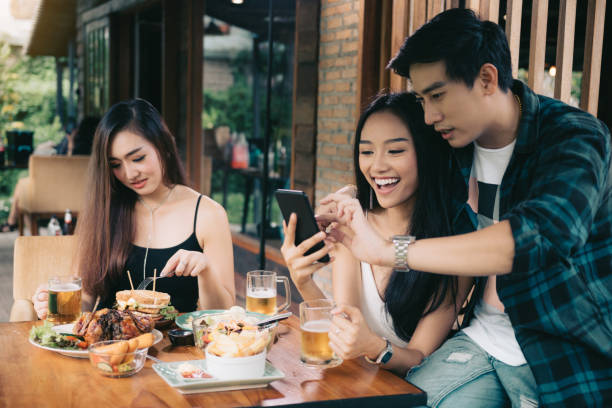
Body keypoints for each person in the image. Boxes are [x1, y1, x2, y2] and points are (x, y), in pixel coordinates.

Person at [321, 8, 611, 407]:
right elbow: (393, 174)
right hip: (482, 337)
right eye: (422, 98)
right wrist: (350, 205)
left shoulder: (574, 137)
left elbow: (540, 236)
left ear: (487, 79)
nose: (428, 115)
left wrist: (389, 251)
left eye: (437, 95)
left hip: (562, 344)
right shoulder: (451, 146)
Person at [281, 92, 472, 376]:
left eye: (395, 151)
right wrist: (304, 280)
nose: (377, 166)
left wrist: (375, 347)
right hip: (363, 384)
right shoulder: (354, 225)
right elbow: (347, 328)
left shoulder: (453, 243)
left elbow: (419, 357)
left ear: (427, 152)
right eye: (367, 151)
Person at [32, 99, 235, 317]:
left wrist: (205, 271)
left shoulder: (208, 214)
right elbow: (88, 300)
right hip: (111, 346)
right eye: (116, 165)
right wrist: (60, 307)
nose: (129, 174)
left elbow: (225, 313)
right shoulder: (106, 208)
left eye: (137, 158)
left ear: (163, 146)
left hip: (179, 348)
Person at [1, 116, 100, 232]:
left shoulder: (73, 145)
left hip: (56, 196)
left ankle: (16, 225)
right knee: (24, 189)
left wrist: (69, 144)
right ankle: (13, 223)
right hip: (84, 196)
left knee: (24, 191)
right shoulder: (97, 152)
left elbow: (67, 164)